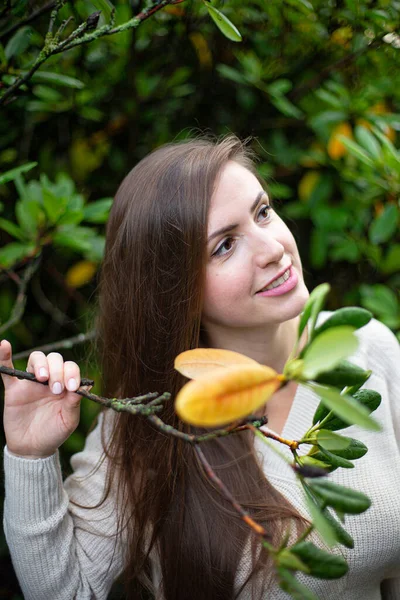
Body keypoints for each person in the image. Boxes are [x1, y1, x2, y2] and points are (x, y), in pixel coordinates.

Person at [1, 133, 400, 600]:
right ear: (175, 293)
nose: (272, 248)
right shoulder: (147, 427)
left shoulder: (364, 347)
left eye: (263, 212)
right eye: (224, 246)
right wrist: (30, 457)